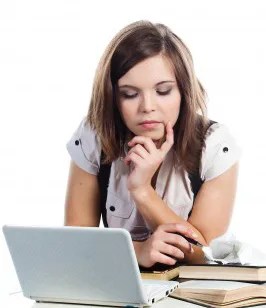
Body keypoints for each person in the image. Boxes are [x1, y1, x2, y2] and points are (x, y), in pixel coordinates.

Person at [64, 20, 241, 268]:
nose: (147, 107)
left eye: (163, 91)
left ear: (184, 92)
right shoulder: (94, 135)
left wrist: (142, 191)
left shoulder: (214, 145)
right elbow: (75, 243)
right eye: (130, 94)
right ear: (113, 98)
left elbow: (204, 254)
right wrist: (136, 252)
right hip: (116, 285)